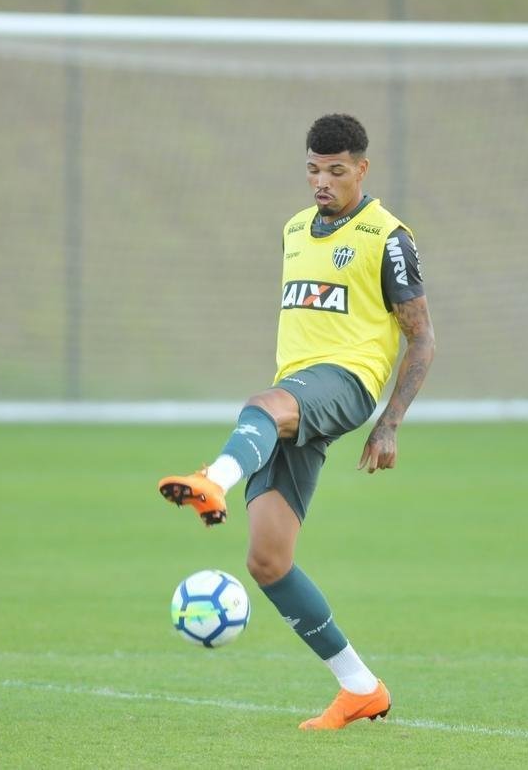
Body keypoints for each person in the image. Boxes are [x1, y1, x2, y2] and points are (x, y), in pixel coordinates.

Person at [159, 113, 435, 730]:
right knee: (268, 560)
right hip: (298, 394)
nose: (322, 181)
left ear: (362, 169)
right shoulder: (293, 229)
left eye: (336, 170)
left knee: (261, 404)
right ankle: (360, 688)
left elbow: (422, 339)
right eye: (313, 169)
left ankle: (214, 480)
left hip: (348, 381)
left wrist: (389, 422)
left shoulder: (388, 237)